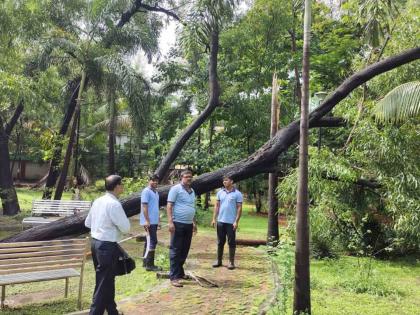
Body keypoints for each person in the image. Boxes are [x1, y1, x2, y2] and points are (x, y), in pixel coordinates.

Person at [85, 175, 130, 315]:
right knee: (103, 283)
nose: (123, 186)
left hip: (95, 244)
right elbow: (126, 227)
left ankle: (112, 311)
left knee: (107, 280)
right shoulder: (114, 204)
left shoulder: (98, 201)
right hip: (107, 247)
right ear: (116, 186)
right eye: (121, 184)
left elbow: (87, 223)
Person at [166, 170, 197, 287]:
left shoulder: (192, 191)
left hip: (188, 224)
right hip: (177, 223)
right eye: (187, 177)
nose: (189, 178)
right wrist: (170, 222)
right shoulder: (175, 189)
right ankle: (173, 277)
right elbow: (169, 205)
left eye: (191, 177)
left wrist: (193, 222)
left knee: (185, 249)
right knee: (175, 250)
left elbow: (191, 206)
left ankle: (180, 272)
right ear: (181, 178)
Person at [211, 175, 243, 270]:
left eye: (226, 180)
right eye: (223, 180)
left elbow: (239, 208)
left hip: (231, 222)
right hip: (220, 221)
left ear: (231, 181)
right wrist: (214, 219)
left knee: (231, 242)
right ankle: (219, 260)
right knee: (220, 242)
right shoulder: (220, 192)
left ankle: (231, 262)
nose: (224, 182)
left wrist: (236, 221)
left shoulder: (237, 194)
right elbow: (217, 206)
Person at [140, 174, 162, 271]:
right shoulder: (146, 191)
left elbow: (156, 207)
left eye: (157, 181)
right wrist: (147, 220)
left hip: (154, 220)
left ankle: (145, 262)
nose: (155, 182)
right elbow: (144, 207)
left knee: (148, 241)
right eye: (153, 180)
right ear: (149, 181)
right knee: (153, 241)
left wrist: (159, 220)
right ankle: (150, 265)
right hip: (149, 221)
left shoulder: (156, 192)